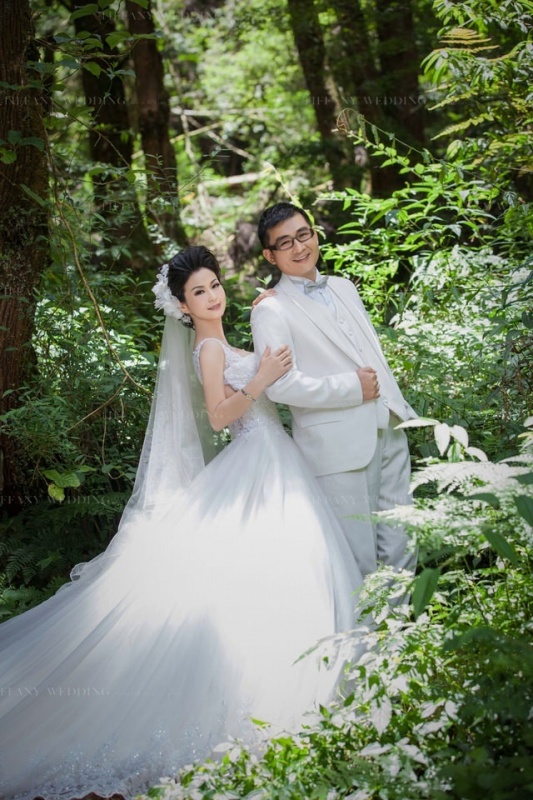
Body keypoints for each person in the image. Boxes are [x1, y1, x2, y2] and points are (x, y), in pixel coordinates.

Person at [0, 246, 363, 800]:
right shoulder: (208, 348)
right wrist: (262, 377)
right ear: (182, 306)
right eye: (199, 292)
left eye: (214, 285)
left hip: (274, 458)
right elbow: (218, 417)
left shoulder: (222, 341)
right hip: (256, 457)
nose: (212, 296)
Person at [251, 202, 418, 578]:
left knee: (403, 542)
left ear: (315, 234)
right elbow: (279, 385)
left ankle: (402, 618)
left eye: (304, 235)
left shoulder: (343, 286)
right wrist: (351, 387)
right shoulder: (270, 310)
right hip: (337, 447)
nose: (299, 247)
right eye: (285, 243)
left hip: (390, 425)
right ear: (270, 255)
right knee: (356, 558)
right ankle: (363, 621)